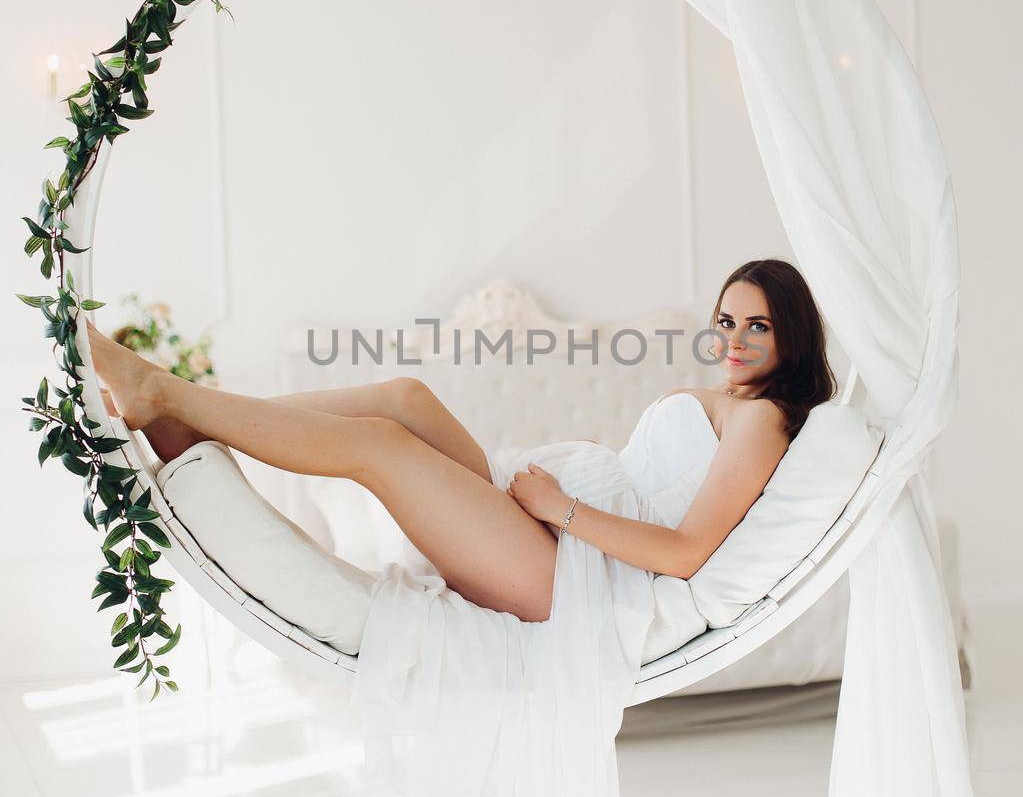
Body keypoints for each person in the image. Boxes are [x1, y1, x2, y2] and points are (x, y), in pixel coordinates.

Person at [86, 257, 836, 620]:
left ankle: (166, 397)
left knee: (382, 443)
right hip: (547, 521)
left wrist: (559, 510)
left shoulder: (763, 418)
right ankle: (188, 412)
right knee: (406, 398)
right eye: (727, 321)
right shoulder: (728, 398)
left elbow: (684, 554)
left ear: (790, 335)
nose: (734, 340)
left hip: (575, 573)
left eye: (758, 326)